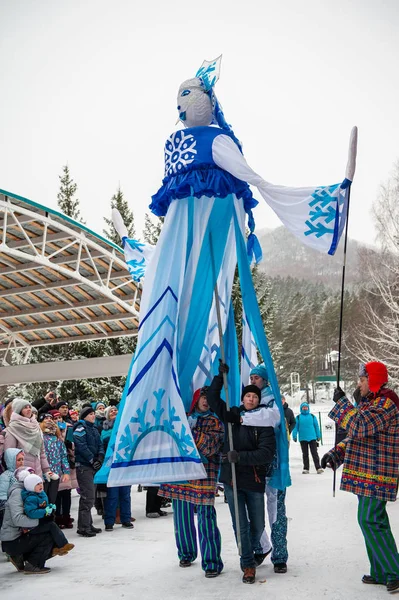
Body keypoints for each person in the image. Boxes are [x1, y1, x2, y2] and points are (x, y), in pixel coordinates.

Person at [321, 362, 399, 593]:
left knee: (369, 519)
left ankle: (394, 570)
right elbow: (356, 438)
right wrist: (334, 454)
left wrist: (343, 403)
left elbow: (360, 426)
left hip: (378, 472)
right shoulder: (370, 403)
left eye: (362, 379)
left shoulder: (388, 403)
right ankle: (380, 571)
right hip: (364, 472)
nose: (359, 383)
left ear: (373, 379)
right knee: (374, 521)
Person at [206, 362, 276, 584]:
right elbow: (213, 398)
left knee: (257, 526)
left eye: (255, 397)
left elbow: (266, 453)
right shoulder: (232, 415)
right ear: (243, 398)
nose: (251, 399)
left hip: (254, 479)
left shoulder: (263, 421)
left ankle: (251, 550)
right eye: (248, 396)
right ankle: (247, 564)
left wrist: (241, 457)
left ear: (258, 400)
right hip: (233, 479)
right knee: (241, 525)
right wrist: (220, 376)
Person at [159, 387, 225, 578]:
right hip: (180, 473)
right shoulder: (182, 419)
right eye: (202, 397)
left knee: (206, 518)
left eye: (208, 397)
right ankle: (186, 554)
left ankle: (211, 562)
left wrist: (189, 433)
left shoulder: (214, 421)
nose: (205, 401)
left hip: (204, 474)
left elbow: (210, 447)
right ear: (195, 399)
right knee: (181, 516)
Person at [1, 468, 64, 574]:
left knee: (49, 528)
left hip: (19, 536)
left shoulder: (29, 492)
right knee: (48, 534)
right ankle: (33, 564)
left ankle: (20, 557)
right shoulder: (17, 493)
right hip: (12, 540)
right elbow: (17, 519)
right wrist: (40, 522)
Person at [21, 473, 74, 555]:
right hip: (33, 525)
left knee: (51, 526)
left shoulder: (41, 494)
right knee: (51, 526)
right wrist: (45, 511)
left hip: (42, 520)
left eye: (41, 483)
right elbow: (31, 513)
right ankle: (63, 544)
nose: (40, 486)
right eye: (37, 484)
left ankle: (56, 548)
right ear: (31, 486)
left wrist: (50, 507)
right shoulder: (30, 498)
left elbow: (45, 505)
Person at [73, 406, 104, 537]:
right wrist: (92, 460)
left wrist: (100, 458)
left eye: (93, 414)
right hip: (84, 466)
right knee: (88, 496)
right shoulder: (80, 428)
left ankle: (88, 523)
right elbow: (81, 446)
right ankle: (83, 526)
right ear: (84, 416)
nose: (93, 416)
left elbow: (100, 445)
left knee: (91, 496)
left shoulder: (95, 429)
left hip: (93, 467)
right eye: (90, 414)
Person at [101, 406, 133, 531]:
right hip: (111, 465)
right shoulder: (105, 429)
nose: (114, 412)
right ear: (107, 415)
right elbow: (104, 445)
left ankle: (126, 519)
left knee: (125, 494)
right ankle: (109, 521)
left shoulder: (125, 427)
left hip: (124, 464)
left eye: (116, 410)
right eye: (111, 411)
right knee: (112, 495)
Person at [4, 399, 52, 480]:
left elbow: (42, 453)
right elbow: (10, 456)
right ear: (19, 410)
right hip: (21, 475)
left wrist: (46, 470)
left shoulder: (36, 427)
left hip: (37, 473)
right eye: (25, 407)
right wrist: (17, 475)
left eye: (29, 407)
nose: (29, 409)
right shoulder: (12, 429)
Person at [40, 414, 70, 510]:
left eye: (51, 418)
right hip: (43, 474)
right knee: (43, 499)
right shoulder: (40, 437)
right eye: (46, 418)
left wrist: (66, 472)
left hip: (56, 473)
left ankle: (51, 519)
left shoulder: (57, 438)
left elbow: (63, 456)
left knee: (53, 499)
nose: (49, 420)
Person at [292, 403, 323, 474]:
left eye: (306, 407)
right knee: (305, 454)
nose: (305, 408)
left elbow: (316, 426)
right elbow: (295, 428)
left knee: (314, 453)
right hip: (303, 438)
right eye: (303, 407)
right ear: (301, 408)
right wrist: (294, 436)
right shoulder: (298, 417)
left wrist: (318, 436)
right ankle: (306, 468)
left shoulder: (312, 416)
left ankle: (318, 467)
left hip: (312, 438)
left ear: (308, 408)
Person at [0, 449, 24, 526]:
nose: (21, 462)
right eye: (18, 460)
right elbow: (2, 494)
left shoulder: (23, 473)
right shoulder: (6, 476)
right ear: (11, 461)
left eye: (22, 459)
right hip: (10, 506)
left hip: (22, 503)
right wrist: (5, 507)